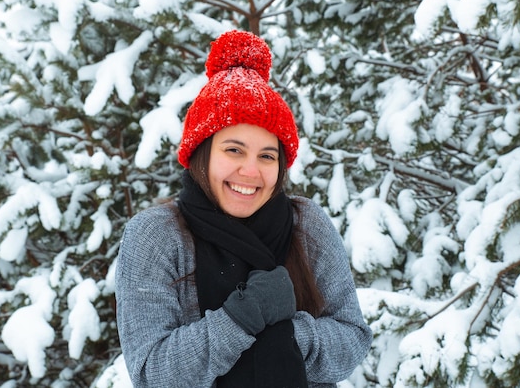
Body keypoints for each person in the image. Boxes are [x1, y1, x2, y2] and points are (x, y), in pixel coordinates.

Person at [115, 29, 372, 388]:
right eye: (233, 150)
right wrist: (241, 317)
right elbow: (152, 371)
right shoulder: (156, 236)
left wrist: (290, 336)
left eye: (267, 156)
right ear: (202, 154)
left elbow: (353, 338)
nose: (250, 172)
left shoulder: (305, 224)